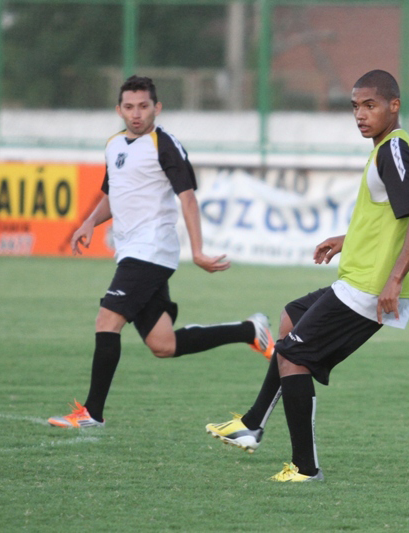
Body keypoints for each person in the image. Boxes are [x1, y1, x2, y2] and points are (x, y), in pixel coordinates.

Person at [205, 70, 409, 482]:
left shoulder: (395, 149)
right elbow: (391, 218)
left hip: (370, 286)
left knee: (294, 356)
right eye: (355, 107)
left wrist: (395, 280)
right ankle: (254, 422)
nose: (361, 115)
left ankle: (305, 468)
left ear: (394, 106)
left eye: (370, 105)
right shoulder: (386, 148)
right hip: (359, 275)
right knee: (292, 315)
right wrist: (347, 239)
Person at [48, 75, 273, 429]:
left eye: (143, 106)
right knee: (163, 344)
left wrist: (197, 251)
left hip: (151, 250)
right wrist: (90, 222)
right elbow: (114, 194)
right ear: (119, 109)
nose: (136, 114)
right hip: (131, 252)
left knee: (107, 320)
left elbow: (187, 198)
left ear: (157, 107)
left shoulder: (164, 144)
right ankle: (248, 331)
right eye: (129, 107)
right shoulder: (114, 146)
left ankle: (92, 412)